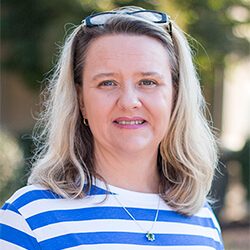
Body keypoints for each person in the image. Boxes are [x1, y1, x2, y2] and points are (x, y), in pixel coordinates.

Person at [0, 6, 224, 250]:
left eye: (148, 82)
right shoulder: (28, 218)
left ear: (175, 96)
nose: (129, 102)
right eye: (107, 83)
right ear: (81, 100)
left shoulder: (203, 221)